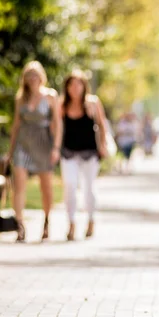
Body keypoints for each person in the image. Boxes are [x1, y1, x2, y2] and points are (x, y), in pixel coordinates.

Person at [8, 61, 62, 242]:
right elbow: (16, 125)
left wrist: (56, 147)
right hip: (23, 144)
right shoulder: (20, 98)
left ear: (41, 76)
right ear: (25, 78)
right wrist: (10, 149)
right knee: (19, 186)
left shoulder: (50, 96)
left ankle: (46, 221)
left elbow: (57, 123)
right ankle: (20, 226)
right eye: (29, 75)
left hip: (43, 143)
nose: (32, 79)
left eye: (35, 74)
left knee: (45, 187)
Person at [59, 70, 109, 241]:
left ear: (84, 86)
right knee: (70, 186)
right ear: (67, 87)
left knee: (89, 188)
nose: (75, 88)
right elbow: (58, 128)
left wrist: (103, 145)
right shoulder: (63, 105)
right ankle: (71, 222)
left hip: (89, 152)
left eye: (78, 84)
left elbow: (102, 126)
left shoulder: (93, 104)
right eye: (71, 84)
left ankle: (91, 219)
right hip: (68, 152)